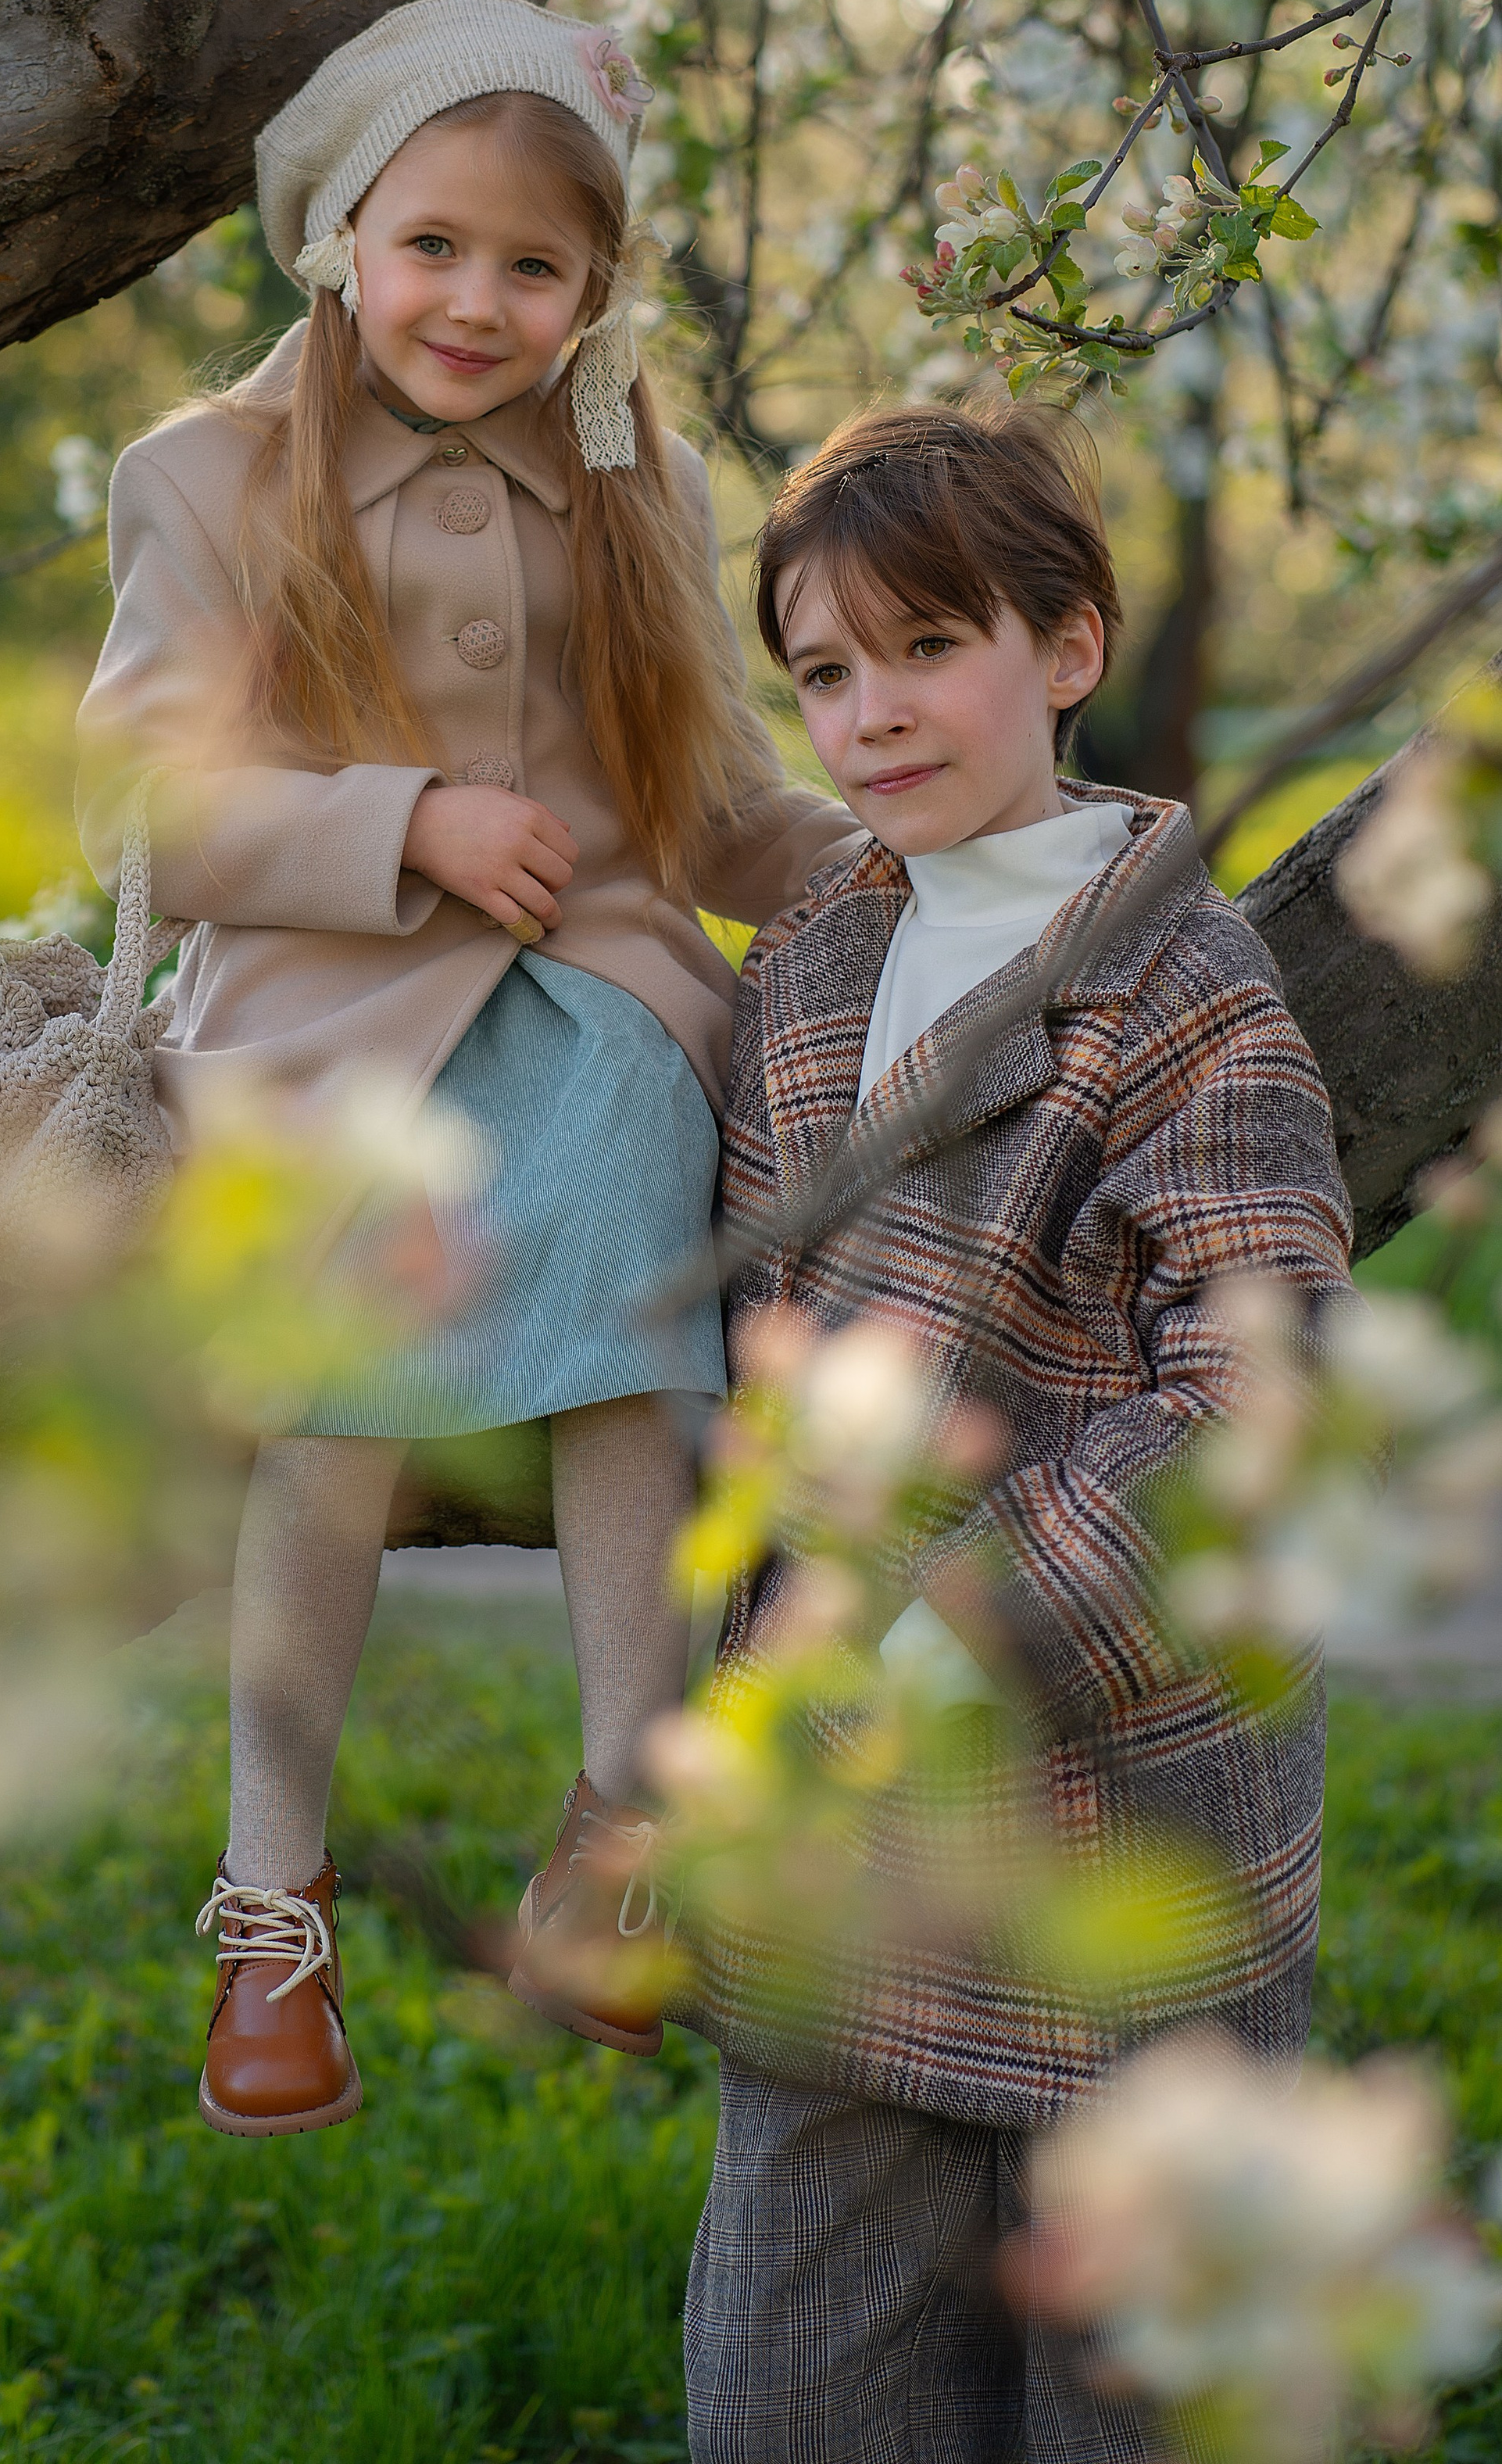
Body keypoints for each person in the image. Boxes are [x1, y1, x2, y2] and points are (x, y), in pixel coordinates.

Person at [76, 0, 856, 2139]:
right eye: (434, 246)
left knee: (632, 1213)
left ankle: (623, 1820)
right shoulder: (213, 478)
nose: (476, 300)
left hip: (587, 995)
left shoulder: (629, 481)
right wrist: (399, 823)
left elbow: (699, 805)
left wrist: (873, 870)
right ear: (341, 234)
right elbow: (149, 808)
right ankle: (270, 1898)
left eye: (533, 265)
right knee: (338, 1367)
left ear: (593, 290)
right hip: (325, 1024)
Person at [675, 403, 1354, 2463]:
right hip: (835, 1875)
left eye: (927, 645)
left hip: (1114, 1855)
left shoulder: (1188, 1000)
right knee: (794, 2395)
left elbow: (1255, 1394)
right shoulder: (808, 969)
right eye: (821, 672)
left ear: (1067, 649)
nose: (872, 712)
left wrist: (954, 1624)